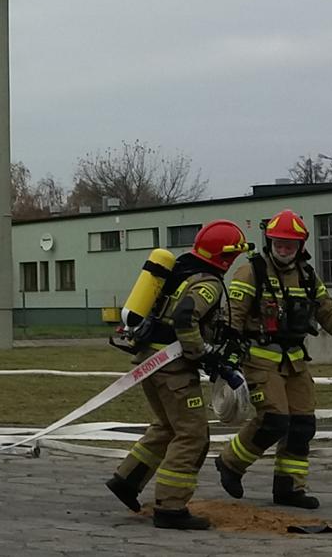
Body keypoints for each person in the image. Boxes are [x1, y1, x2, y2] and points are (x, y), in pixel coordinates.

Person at [215, 209, 332, 510]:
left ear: (300, 246)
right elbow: (234, 313)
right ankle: (230, 463)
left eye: (289, 245)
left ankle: (289, 488)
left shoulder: (308, 275)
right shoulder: (251, 272)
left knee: (302, 425)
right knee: (274, 420)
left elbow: (327, 311)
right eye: (278, 244)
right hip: (259, 358)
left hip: (295, 360)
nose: (283, 250)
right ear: (269, 242)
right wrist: (231, 348)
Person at [105, 220, 252, 530]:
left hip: (150, 360)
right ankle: (171, 507)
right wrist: (203, 354)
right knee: (192, 434)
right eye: (233, 256)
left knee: (167, 426)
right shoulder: (209, 283)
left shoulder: (181, 269)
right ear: (224, 258)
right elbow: (186, 317)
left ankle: (127, 480)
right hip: (171, 368)